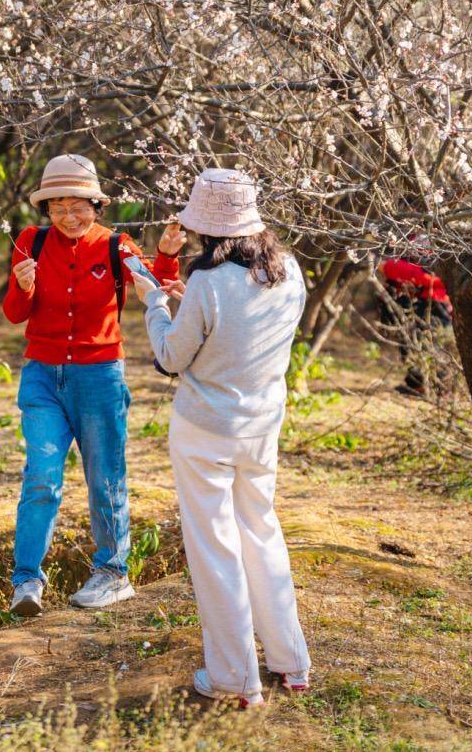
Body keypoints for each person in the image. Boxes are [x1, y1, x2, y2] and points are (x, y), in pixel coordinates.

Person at [128, 168, 311, 710]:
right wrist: (193, 305)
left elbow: (171, 357)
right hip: (261, 427)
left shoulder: (209, 282)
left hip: (205, 431)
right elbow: (243, 334)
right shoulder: (290, 272)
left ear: (207, 228)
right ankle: (291, 662)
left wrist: (155, 304)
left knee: (215, 549)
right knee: (262, 532)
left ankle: (234, 677)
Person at [2, 153, 185, 617]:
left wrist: (167, 255)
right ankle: (26, 581)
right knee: (41, 478)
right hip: (42, 375)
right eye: (59, 207)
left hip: (99, 375)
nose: (69, 217)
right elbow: (14, 313)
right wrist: (23, 285)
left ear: (96, 206)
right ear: (46, 209)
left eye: (79, 207)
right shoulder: (30, 242)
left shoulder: (116, 245)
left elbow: (155, 284)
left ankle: (112, 572)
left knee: (105, 477)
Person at [377, 247, 452, 395]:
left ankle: (433, 385)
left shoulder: (440, 247)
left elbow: (439, 279)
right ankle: (418, 384)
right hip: (418, 299)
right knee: (413, 342)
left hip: (435, 301)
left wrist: (423, 279)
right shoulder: (409, 243)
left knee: (430, 344)